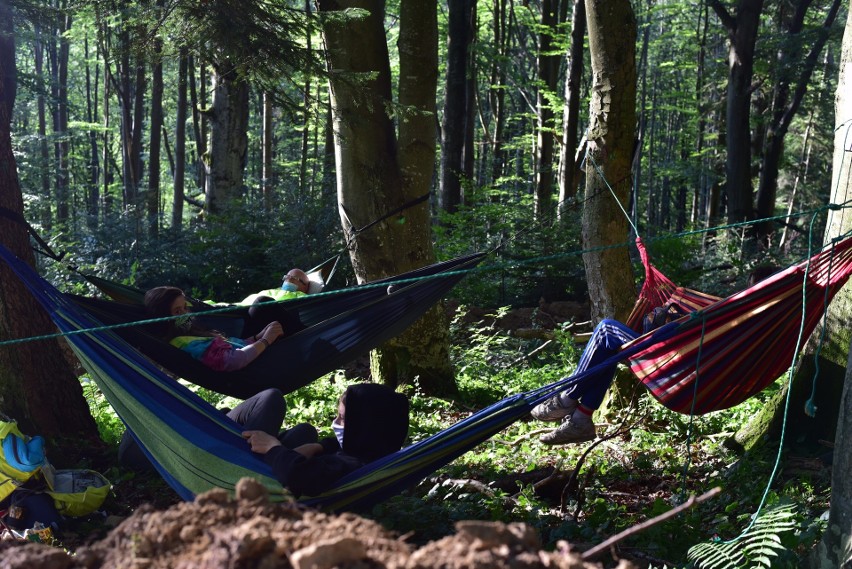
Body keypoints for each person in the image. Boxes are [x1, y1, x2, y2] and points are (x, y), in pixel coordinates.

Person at [532, 264, 782, 446]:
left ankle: (568, 398)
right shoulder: (762, 325)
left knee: (606, 330)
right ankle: (581, 419)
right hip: (688, 368)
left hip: (677, 365)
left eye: (753, 287)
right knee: (610, 351)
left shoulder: (742, 316)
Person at [243, 383, 409, 497]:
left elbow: (299, 476)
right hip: (290, 465)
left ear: (365, 425)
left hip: (260, 477)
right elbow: (339, 445)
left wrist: (273, 448)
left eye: (343, 418)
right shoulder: (372, 447)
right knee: (305, 430)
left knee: (271, 399)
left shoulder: (352, 466)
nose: (335, 423)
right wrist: (318, 447)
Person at [144, 286, 284, 372]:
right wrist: (266, 340)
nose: (185, 313)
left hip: (256, 354)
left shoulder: (192, 333)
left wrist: (256, 337)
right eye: (177, 311)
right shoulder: (187, 344)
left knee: (263, 305)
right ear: (163, 317)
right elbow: (233, 360)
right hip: (258, 367)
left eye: (185, 307)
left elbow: (234, 347)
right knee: (264, 305)